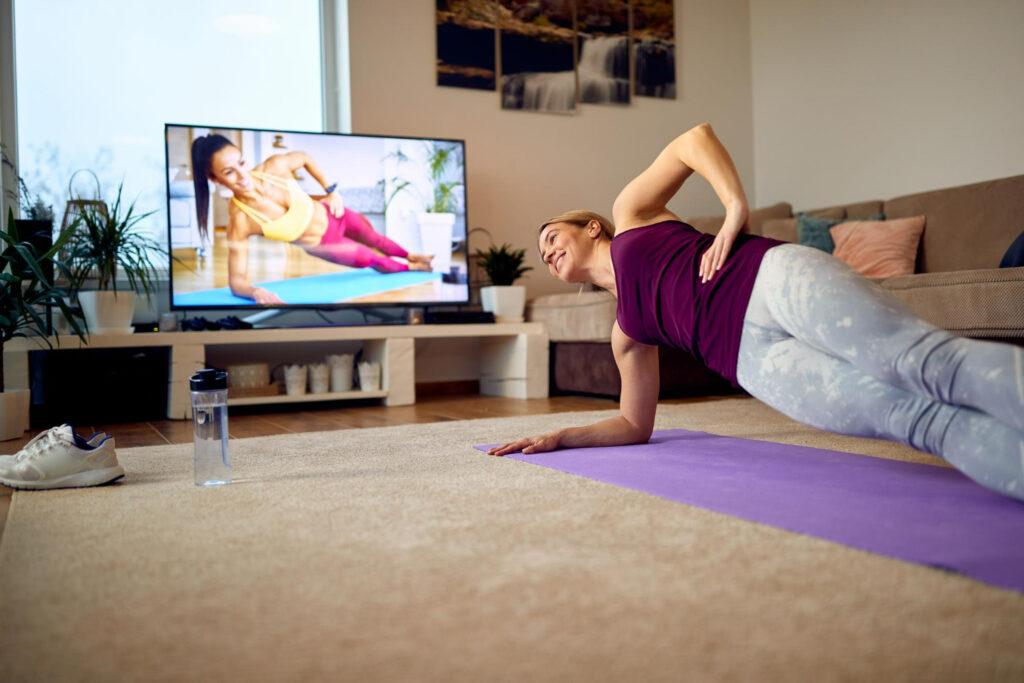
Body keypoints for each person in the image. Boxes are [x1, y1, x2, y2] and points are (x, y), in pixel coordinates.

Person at [487, 122, 1024, 502]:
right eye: (543, 256)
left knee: (924, 363)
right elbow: (634, 423)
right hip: (751, 361)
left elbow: (693, 139)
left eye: (553, 237)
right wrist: (561, 438)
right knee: (913, 420)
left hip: (768, 280)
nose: (549, 252)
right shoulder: (624, 332)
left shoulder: (631, 215)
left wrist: (734, 209)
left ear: (591, 227)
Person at [190, 134, 434, 305]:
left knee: (375, 238)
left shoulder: (274, 167)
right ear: (214, 179)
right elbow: (236, 281)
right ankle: (413, 268)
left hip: (332, 213)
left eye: (241, 162)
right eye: (229, 172)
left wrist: (331, 191)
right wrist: (254, 292)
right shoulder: (241, 220)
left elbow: (305, 157)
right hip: (323, 243)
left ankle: (410, 255)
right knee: (370, 257)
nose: (243, 175)